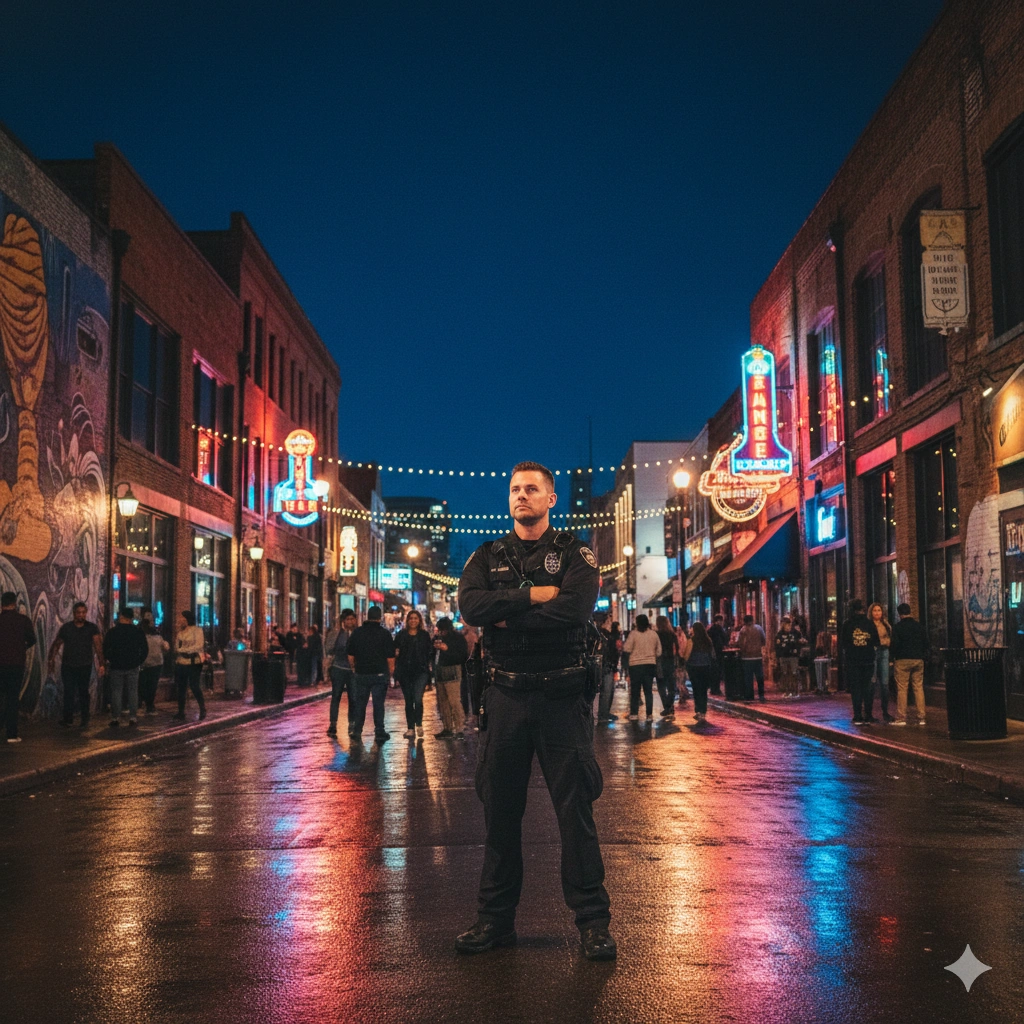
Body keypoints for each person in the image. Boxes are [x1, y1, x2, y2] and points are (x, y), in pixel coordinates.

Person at [455, 461, 615, 961]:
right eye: (514, 490)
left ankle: (592, 923)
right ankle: (495, 921)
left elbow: (575, 609)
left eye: (531, 490)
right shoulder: (487, 554)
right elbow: (471, 607)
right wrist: (533, 595)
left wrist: (509, 615)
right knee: (500, 813)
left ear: (551, 499)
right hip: (504, 698)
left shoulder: (576, 553)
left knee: (575, 814)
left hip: (562, 699)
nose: (520, 496)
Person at [48, 601, 103, 729]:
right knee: (69, 692)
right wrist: (51, 659)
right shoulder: (67, 628)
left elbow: (98, 646)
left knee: (83, 692)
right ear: (74, 614)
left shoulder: (92, 628)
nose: (81, 615)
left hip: (85, 665)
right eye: (79, 613)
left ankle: (85, 718)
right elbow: (57, 643)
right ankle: (68, 719)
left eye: (83, 613)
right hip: (68, 665)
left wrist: (101, 663)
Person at [346, 605, 395, 743]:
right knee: (378, 704)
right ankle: (379, 731)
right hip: (379, 674)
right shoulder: (385, 634)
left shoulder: (357, 633)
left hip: (362, 673)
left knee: (360, 703)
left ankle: (357, 730)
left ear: (367, 616)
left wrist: (354, 668)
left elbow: (350, 655)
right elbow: (390, 658)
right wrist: (390, 674)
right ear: (380, 617)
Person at [103, 608, 149, 728]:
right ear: (131, 618)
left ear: (121, 616)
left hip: (117, 666)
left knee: (116, 691)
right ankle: (133, 717)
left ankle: (115, 718)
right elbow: (144, 649)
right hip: (133, 665)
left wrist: (111, 659)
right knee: (133, 691)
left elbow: (105, 648)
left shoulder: (113, 632)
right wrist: (138, 661)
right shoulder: (137, 632)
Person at [0, 591, 35, 743]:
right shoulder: (23, 620)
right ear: (14, 603)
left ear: (2, 604)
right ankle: (11, 734)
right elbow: (32, 639)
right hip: (16, 664)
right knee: (13, 698)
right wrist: (21, 647)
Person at [840, 599, 880, 725]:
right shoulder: (869, 624)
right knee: (867, 687)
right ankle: (868, 714)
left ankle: (857, 715)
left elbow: (843, 643)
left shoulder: (847, 624)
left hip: (853, 660)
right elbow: (876, 641)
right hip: (868, 659)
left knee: (856, 688)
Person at [394, 610, 433, 738]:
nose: (413, 621)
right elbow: (395, 652)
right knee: (409, 700)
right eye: (411, 618)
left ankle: (419, 725)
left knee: (418, 698)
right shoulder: (401, 635)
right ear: (407, 620)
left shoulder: (424, 635)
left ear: (419, 620)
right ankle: (410, 728)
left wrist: (429, 672)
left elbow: (429, 653)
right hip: (405, 672)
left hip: (420, 671)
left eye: (416, 618)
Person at [889, 603, 929, 727]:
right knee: (918, 687)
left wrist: (892, 658)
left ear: (899, 613)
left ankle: (901, 717)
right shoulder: (919, 626)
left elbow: (894, 644)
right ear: (910, 611)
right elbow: (926, 643)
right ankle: (921, 717)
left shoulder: (897, 627)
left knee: (902, 689)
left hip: (902, 660)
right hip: (918, 659)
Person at [433, 618, 469, 738]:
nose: (441, 632)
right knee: (443, 702)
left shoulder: (457, 638)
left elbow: (461, 656)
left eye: (443, 630)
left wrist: (446, 649)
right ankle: (447, 727)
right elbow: (432, 655)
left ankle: (459, 728)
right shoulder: (437, 638)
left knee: (454, 700)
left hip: (452, 672)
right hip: (440, 673)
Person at [326, 609, 357, 738]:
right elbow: (328, 648)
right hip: (338, 668)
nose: (350, 621)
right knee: (336, 696)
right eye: (347, 619)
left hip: (353, 671)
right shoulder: (337, 633)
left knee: (353, 698)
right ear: (343, 621)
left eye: (352, 619)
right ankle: (333, 724)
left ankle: (352, 724)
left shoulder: (357, 633)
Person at [623, 614, 660, 721]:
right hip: (650, 665)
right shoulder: (654, 635)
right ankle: (649, 714)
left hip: (635, 666)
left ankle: (634, 713)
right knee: (648, 691)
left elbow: (627, 649)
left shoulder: (633, 635)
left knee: (635, 690)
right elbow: (659, 651)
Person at [173, 610, 207, 722]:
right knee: (181, 688)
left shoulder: (197, 631)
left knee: (194, 686)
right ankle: (180, 711)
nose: (179, 621)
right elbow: (176, 648)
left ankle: (202, 708)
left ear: (187, 620)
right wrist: (182, 651)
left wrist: (184, 650)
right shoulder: (180, 633)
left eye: (182, 619)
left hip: (194, 663)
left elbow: (198, 646)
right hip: (181, 662)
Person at [686, 622, 717, 723]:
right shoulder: (708, 640)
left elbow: (687, 655)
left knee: (696, 689)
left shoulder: (691, 641)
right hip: (706, 667)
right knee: (704, 690)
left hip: (694, 667)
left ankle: (698, 710)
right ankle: (703, 711)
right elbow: (713, 655)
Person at [868, 603, 893, 722]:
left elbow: (891, 637)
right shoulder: (869, 625)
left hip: (884, 651)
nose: (877, 613)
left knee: (884, 683)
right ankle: (869, 712)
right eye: (874, 611)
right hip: (873, 651)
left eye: (879, 610)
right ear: (871, 612)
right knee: (872, 682)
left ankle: (885, 711)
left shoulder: (886, 624)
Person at [140, 620, 169, 715]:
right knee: (152, 685)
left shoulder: (142, 638)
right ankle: (150, 706)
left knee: (143, 684)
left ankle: (141, 703)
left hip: (144, 664)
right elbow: (166, 648)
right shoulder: (159, 638)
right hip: (157, 664)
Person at [595, 614, 618, 723]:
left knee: (607, 690)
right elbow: (609, 651)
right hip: (605, 665)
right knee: (607, 690)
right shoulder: (604, 635)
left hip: (604, 665)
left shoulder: (599, 634)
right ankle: (603, 715)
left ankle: (604, 713)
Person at [654, 615, 679, 718]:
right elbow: (676, 648)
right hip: (670, 661)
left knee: (661, 686)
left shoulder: (656, 634)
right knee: (671, 686)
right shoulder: (672, 634)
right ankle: (669, 706)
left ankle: (667, 707)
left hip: (659, 661)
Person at [738, 615, 766, 701]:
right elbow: (763, 640)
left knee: (748, 678)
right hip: (757, 656)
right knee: (759, 677)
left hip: (747, 658)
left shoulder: (743, 630)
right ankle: (761, 695)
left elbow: (741, 643)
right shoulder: (759, 628)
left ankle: (749, 696)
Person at [774, 615, 802, 698]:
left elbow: (800, 641)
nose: (788, 626)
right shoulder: (779, 634)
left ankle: (795, 691)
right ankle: (787, 691)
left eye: (789, 624)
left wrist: (798, 649)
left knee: (794, 673)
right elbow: (777, 646)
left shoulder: (795, 633)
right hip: (783, 656)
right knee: (785, 673)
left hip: (793, 656)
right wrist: (778, 657)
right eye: (786, 624)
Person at [708, 614, 728, 696]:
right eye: (722, 621)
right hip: (718, 653)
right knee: (717, 671)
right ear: (719, 621)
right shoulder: (719, 629)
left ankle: (713, 688)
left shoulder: (710, 629)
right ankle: (716, 689)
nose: (723, 623)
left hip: (712, 653)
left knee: (713, 672)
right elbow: (725, 639)